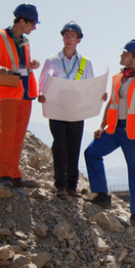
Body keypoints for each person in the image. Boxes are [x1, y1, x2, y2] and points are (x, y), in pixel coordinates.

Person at [84, 39, 135, 223]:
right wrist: (102, 125)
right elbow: (112, 103)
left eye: (125, 54)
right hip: (114, 129)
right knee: (91, 152)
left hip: (134, 133)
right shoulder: (117, 77)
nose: (121, 56)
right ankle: (102, 195)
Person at [0, 3, 41, 188]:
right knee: (8, 133)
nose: (34, 28)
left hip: (25, 92)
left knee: (19, 135)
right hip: (9, 90)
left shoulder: (25, 41)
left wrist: (31, 64)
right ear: (22, 21)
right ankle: (5, 174)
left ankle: (15, 174)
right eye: (32, 24)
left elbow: (21, 63)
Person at [37, 21, 94, 199]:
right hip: (56, 109)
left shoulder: (85, 63)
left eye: (72, 36)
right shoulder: (52, 60)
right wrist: (41, 94)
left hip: (76, 111)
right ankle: (60, 186)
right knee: (60, 146)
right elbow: (42, 83)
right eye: (66, 35)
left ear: (79, 40)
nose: (68, 39)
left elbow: (90, 85)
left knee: (73, 148)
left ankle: (72, 187)